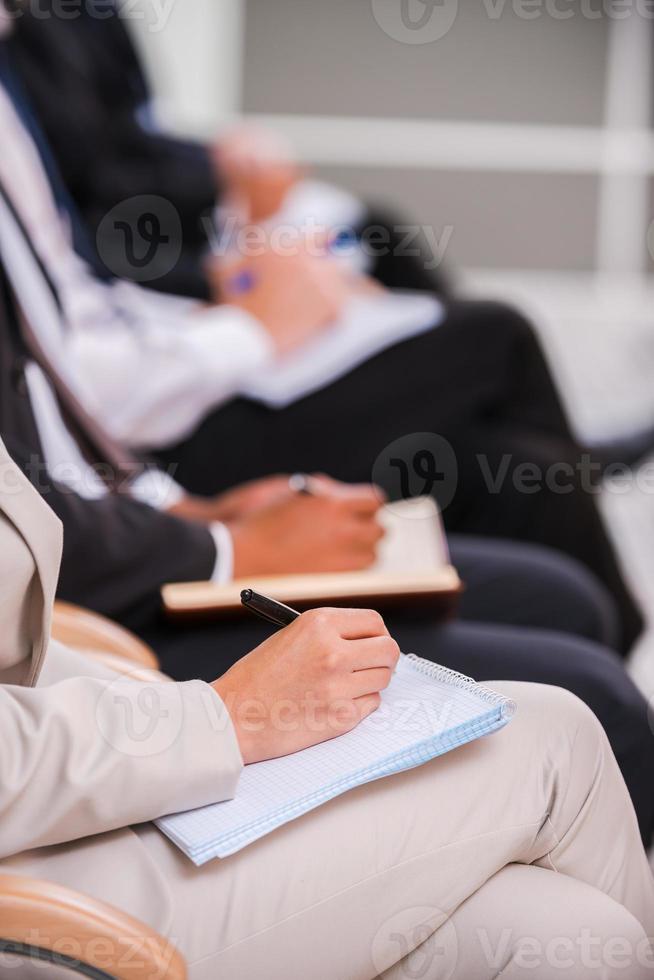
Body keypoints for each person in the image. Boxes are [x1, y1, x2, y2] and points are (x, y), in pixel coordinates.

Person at [0, 48, 643, 653]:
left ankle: (574, 485)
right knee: (495, 338)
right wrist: (252, 329)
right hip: (121, 529)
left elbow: (77, 314)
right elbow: (60, 432)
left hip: (134, 478)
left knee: (526, 479)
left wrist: (183, 506)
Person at [2, 263, 654, 847]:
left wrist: (187, 510)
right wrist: (228, 543)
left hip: (125, 520)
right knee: (594, 698)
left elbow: (64, 389)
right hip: (91, 629)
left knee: (550, 559)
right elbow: (47, 492)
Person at [1, 435, 654, 980]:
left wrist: (157, 701)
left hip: (72, 795)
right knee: (554, 737)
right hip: (38, 885)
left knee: (579, 936)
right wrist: (228, 715)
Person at [5, 0, 450, 300]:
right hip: (148, 241)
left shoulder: (93, 12)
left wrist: (226, 158)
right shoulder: (28, 31)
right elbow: (89, 173)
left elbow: (135, 129)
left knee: (377, 235)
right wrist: (222, 185)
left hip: (194, 214)